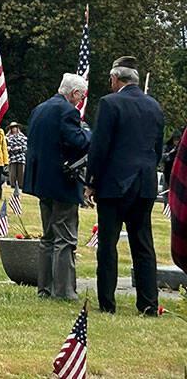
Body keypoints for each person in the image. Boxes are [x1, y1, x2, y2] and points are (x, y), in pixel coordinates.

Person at [86, 56, 164, 315]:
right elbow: (158, 147)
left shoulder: (110, 103)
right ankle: (148, 304)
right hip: (145, 183)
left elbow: (100, 147)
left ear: (116, 78)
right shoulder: (154, 106)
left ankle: (107, 303)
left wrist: (91, 182)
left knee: (107, 245)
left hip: (114, 183)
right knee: (143, 245)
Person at [24, 73, 91, 301]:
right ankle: (63, 292)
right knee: (65, 238)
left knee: (48, 237)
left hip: (42, 181)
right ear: (74, 93)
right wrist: (90, 134)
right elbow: (78, 142)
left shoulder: (40, 109)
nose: (81, 100)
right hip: (62, 182)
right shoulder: (68, 111)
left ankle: (45, 288)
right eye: (81, 96)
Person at [5, 121, 27, 189]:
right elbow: (5, 147)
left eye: (15, 127)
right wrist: (11, 149)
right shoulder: (7, 137)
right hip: (12, 157)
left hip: (21, 157)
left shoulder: (23, 137)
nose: (14, 129)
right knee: (12, 172)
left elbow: (26, 147)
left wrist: (19, 148)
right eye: (12, 128)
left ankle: (21, 185)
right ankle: (12, 184)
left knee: (21, 172)